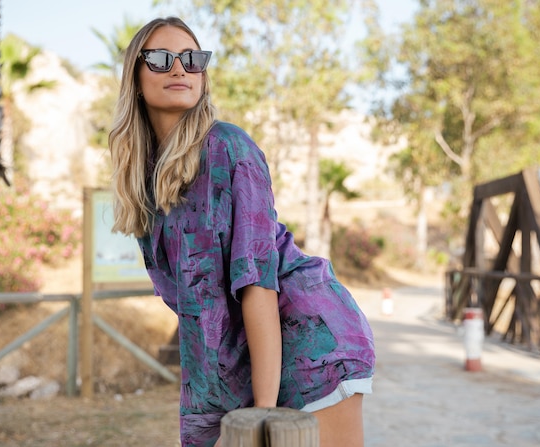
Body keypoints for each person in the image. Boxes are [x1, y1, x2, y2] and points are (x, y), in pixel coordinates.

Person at [109, 16, 375, 447]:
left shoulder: (228, 147)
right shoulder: (148, 186)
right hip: (239, 361)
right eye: (160, 59)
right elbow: (200, 318)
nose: (179, 68)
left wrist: (261, 415)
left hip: (312, 346)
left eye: (192, 59)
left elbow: (257, 283)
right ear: (135, 79)